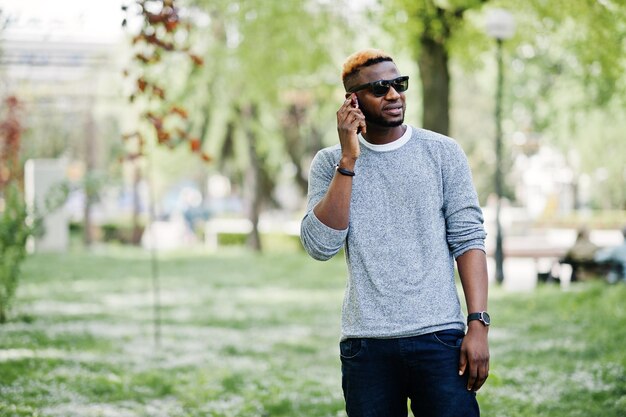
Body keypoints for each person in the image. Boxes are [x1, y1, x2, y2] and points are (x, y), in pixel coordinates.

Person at [300, 49, 490, 417]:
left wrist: (478, 323)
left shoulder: (442, 153)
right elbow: (321, 246)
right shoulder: (330, 163)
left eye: (398, 84)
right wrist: (349, 160)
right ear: (352, 101)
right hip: (366, 344)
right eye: (379, 88)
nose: (393, 95)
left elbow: (468, 240)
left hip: (439, 338)